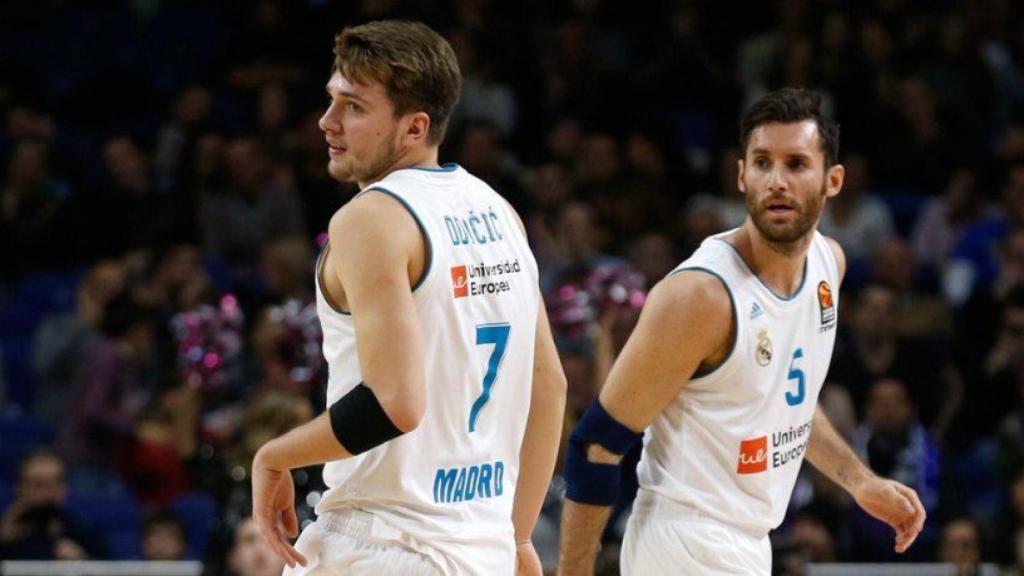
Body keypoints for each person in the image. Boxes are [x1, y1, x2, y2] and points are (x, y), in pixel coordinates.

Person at [557, 88, 926, 575]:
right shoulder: (701, 297)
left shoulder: (827, 264)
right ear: (740, 175)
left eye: (796, 164)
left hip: (749, 540)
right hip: (684, 542)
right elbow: (596, 445)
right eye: (763, 163)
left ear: (832, 180)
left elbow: (785, 406)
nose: (777, 181)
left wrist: (859, 481)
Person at [250, 20, 566, 576]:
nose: (328, 122)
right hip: (480, 549)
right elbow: (549, 386)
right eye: (331, 101)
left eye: (354, 107)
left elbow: (396, 402)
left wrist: (275, 455)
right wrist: (515, 537)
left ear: (414, 127)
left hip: (382, 544)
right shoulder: (499, 211)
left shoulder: (371, 218)